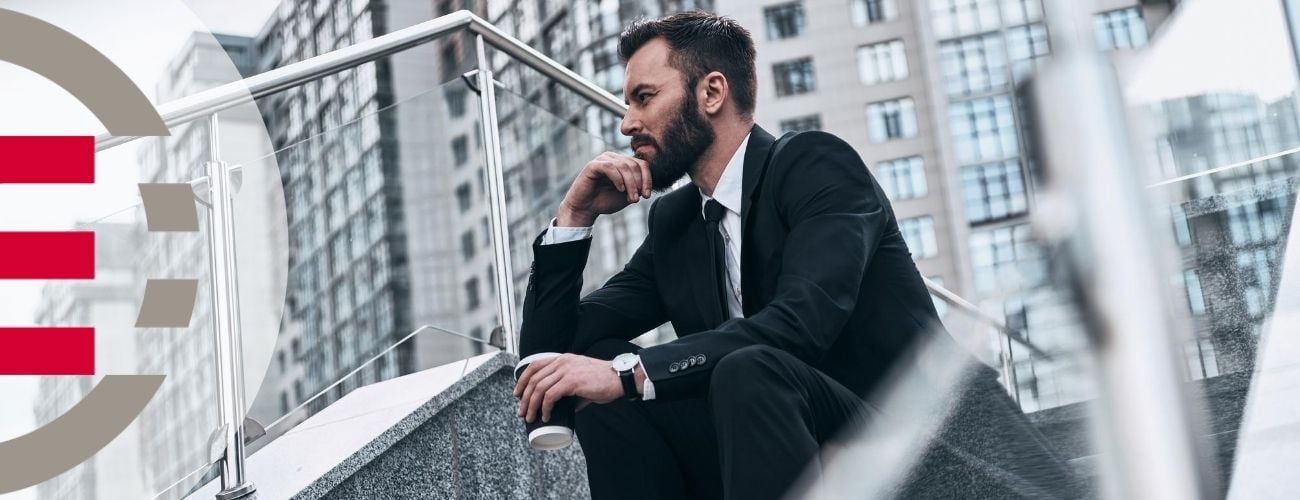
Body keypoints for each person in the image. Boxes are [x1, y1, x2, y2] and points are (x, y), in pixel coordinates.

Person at [511, 11, 1075, 500]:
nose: (627, 122)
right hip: (781, 454)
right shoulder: (679, 224)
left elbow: (799, 325)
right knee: (599, 367)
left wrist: (629, 374)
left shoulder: (813, 166)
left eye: (644, 97)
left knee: (742, 370)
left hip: (927, 449)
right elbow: (548, 358)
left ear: (711, 93)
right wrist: (574, 219)